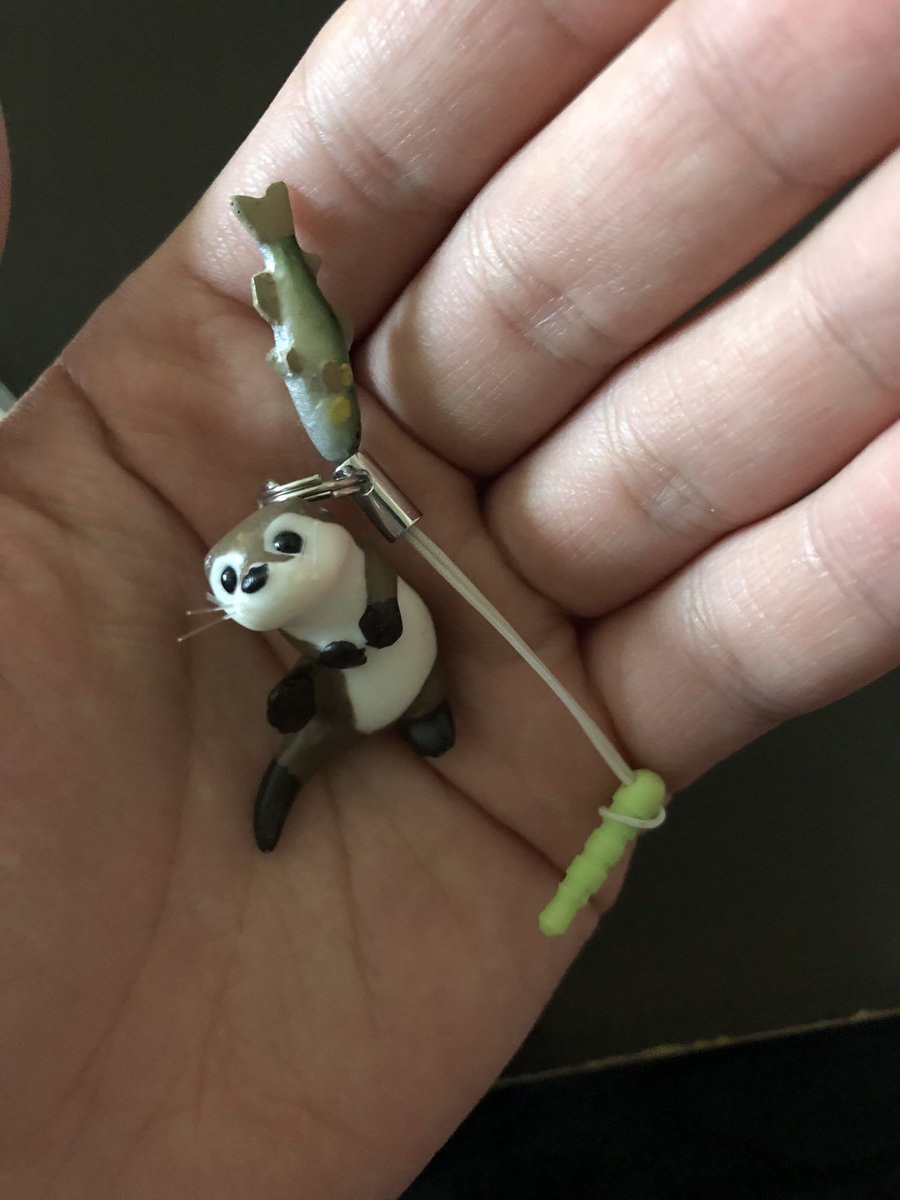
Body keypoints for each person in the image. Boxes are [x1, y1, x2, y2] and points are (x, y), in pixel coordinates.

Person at [2, 0, 899, 1194]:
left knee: (385, 692)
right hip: (354, 686)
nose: (253, 574)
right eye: (239, 583)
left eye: (257, 559)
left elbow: (369, 608)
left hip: (398, 663)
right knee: (323, 719)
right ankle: (326, 746)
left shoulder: (344, 553)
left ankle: (400, 721)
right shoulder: (303, 582)